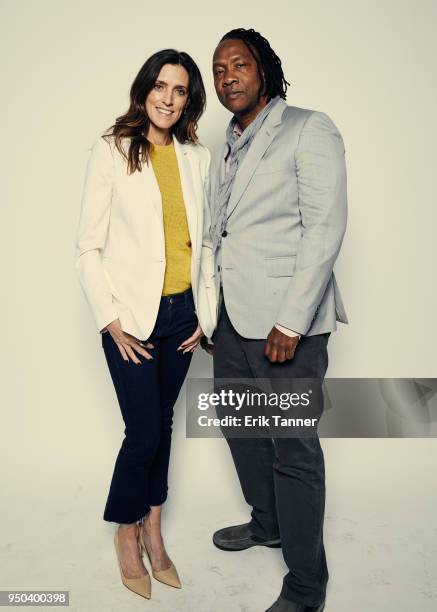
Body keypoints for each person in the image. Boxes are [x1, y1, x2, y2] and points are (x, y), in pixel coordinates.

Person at [205, 28, 348, 612]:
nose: (228, 76)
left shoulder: (309, 128)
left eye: (239, 64)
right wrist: (211, 313)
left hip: (286, 329)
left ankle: (307, 586)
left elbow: (325, 227)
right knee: (242, 433)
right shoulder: (231, 144)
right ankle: (267, 523)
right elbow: (226, 233)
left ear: (263, 69)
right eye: (219, 69)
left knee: (293, 450)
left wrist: (291, 320)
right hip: (233, 326)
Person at [75, 49, 217, 601]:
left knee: (162, 421)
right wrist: (110, 323)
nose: (168, 98)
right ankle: (126, 528)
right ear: (145, 89)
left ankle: (155, 532)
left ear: (189, 100)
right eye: (161, 86)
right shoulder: (112, 151)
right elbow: (88, 247)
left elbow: (204, 244)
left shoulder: (196, 157)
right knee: (145, 433)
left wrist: (206, 316)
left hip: (182, 315)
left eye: (180, 90)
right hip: (131, 319)